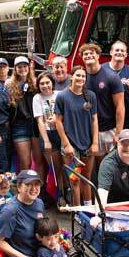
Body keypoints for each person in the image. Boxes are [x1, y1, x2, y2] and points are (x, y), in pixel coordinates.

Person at [55, 66, 99, 207]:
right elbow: (58, 121)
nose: (81, 78)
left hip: (87, 144)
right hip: (71, 146)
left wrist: (95, 142)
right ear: (71, 77)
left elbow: (94, 120)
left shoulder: (91, 95)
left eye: (83, 76)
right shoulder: (62, 96)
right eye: (78, 75)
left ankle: (88, 210)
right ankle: (77, 212)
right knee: (74, 180)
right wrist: (66, 144)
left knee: (87, 179)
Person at [80, 43, 125, 161]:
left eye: (92, 53)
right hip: (88, 131)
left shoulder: (111, 77)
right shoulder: (80, 78)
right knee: (93, 167)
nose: (89, 55)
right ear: (82, 57)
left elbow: (120, 106)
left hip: (109, 130)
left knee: (109, 165)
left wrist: (118, 132)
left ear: (98, 56)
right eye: (85, 54)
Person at [6, 56, 43, 178]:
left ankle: (40, 189)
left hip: (35, 124)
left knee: (39, 161)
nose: (22, 69)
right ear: (15, 69)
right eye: (19, 67)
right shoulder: (9, 85)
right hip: (19, 125)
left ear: (29, 68)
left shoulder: (35, 82)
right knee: (25, 163)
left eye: (24, 66)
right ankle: (24, 189)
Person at [33, 72, 66, 206]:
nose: (45, 86)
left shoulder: (59, 95)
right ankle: (59, 196)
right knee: (55, 167)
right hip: (47, 133)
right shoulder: (37, 98)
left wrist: (58, 120)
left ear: (53, 83)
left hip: (61, 133)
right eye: (42, 83)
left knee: (65, 167)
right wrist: (46, 140)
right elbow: (40, 121)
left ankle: (66, 194)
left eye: (47, 82)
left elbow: (65, 114)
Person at [103, 40, 129, 130]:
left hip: (126, 121)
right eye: (117, 50)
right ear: (111, 52)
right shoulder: (101, 70)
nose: (119, 52)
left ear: (126, 55)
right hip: (104, 121)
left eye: (122, 51)